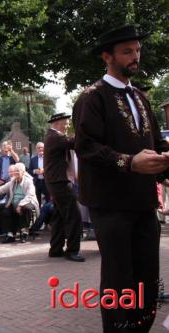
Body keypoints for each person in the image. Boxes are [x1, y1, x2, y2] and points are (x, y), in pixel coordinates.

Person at [73, 24, 169, 332]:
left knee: (148, 276)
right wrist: (129, 163)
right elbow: (86, 147)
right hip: (110, 204)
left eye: (137, 50)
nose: (135, 56)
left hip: (143, 203)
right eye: (127, 51)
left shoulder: (141, 97)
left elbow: (157, 144)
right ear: (107, 56)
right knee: (119, 278)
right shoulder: (92, 97)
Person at [44, 112, 85, 262]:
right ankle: (72, 250)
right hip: (60, 181)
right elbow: (76, 142)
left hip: (55, 181)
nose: (68, 125)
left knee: (59, 216)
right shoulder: (56, 137)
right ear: (57, 123)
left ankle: (55, 249)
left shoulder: (52, 136)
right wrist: (86, 128)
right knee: (74, 214)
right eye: (66, 123)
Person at [0, 163, 39, 243]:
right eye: (15, 171)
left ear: (23, 172)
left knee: (26, 208)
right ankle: (10, 234)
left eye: (18, 171)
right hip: (14, 203)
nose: (15, 173)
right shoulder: (13, 181)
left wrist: (20, 205)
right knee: (5, 211)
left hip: (27, 202)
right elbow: (2, 189)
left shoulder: (28, 182)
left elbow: (30, 196)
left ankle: (24, 231)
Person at [29, 142, 50, 207]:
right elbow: (29, 171)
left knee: (48, 199)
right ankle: (39, 214)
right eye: (39, 148)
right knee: (37, 200)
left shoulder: (48, 158)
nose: (40, 149)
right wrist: (35, 171)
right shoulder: (33, 159)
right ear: (36, 149)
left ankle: (48, 215)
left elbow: (52, 169)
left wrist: (44, 170)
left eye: (42, 147)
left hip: (46, 181)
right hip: (37, 181)